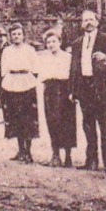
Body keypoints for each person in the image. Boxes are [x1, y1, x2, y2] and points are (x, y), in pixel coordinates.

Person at [69, 10, 106, 170]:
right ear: (81, 24)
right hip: (84, 88)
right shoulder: (77, 43)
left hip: (100, 88)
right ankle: (91, 160)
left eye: (91, 19)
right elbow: (73, 68)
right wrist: (73, 90)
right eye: (85, 20)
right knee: (87, 125)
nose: (88, 23)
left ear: (97, 21)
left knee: (104, 125)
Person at [0, 24, 39, 162]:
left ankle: (28, 151)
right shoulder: (7, 51)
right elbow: (3, 68)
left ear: (23, 35)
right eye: (14, 34)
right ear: (10, 36)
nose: (16, 36)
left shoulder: (30, 50)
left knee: (28, 118)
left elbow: (35, 68)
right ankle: (20, 150)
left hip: (26, 82)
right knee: (16, 117)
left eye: (19, 34)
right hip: (11, 82)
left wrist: (28, 77)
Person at [37, 27, 75, 166]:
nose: (51, 44)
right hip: (50, 89)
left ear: (60, 42)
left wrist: (71, 92)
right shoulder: (43, 58)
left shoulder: (68, 57)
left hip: (64, 89)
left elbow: (71, 76)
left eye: (54, 41)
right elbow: (41, 75)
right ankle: (55, 154)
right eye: (48, 42)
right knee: (52, 121)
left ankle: (68, 156)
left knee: (67, 122)